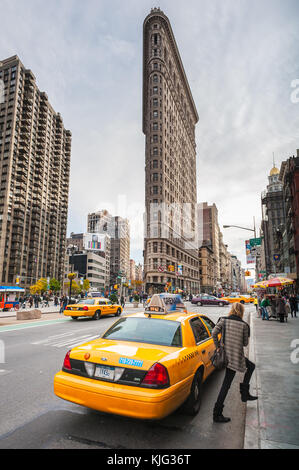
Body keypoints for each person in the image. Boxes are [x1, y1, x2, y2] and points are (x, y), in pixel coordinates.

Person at [211, 302, 257, 423]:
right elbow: (245, 344)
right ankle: (217, 414)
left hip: (226, 356)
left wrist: (218, 347)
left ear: (232, 310)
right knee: (227, 384)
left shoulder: (223, 320)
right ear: (241, 312)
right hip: (236, 357)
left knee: (250, 367)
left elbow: (213, 333)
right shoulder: (244, 325)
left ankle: (245, 393)